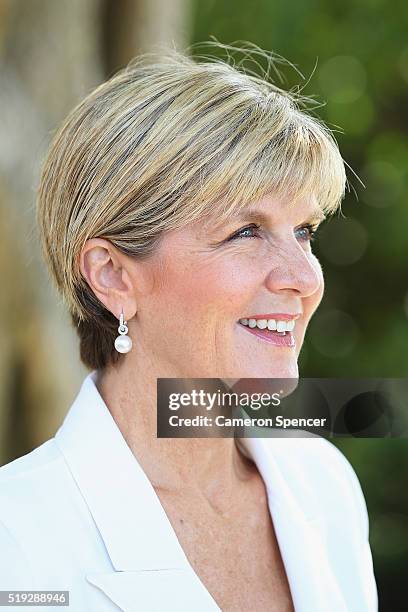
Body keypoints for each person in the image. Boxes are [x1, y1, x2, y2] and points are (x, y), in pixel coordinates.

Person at [0, 45, 378, 611]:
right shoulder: (17, 538)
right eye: (246, 232)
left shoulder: (325, 487)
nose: (304, 278)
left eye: (303, 231)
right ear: (112, 275)